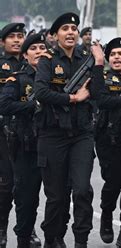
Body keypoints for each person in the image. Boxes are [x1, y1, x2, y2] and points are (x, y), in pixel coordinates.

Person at [34, 12, 104, 247]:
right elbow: (41, 93)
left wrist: (99, 63)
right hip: (52, 135)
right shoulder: (47, 60)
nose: (71, 32)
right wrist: (73, 98)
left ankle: (81, 241)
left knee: (83, 190)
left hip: (81, 134)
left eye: (74, 28)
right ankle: (53, 238)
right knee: (56, 197)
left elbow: (98, 94)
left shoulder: (87, 58)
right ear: (55, 35)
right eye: (65, 28)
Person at [0, 33, 45, 248]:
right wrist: (33, 106)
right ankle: (18, 233)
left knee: (60, 195)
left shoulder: (57, 76)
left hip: (53, 141)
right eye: (33, 48)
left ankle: (53, 237)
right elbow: (5, 105)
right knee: (19, 191)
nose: (39, 52)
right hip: (22, 141)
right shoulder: (17, 78)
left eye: (42, 48)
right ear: (26, 55)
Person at [94, 37, 121, 247]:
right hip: (107, 139)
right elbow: (102, 101)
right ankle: (107, 215)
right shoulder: (102, 77)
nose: (117, 58)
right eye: (113, 55)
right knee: (113, 184)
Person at [0, 22, 25, 248]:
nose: (17, 40)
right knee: (6, 184)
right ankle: (2, 229)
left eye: (20, 36)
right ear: (2, 42)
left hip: (28, 131)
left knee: (26, 186)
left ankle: (27, 229)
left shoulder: (34, 64)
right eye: (12, 37)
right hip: (4, 132)